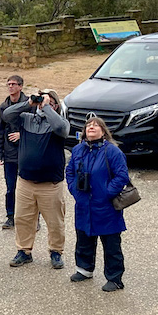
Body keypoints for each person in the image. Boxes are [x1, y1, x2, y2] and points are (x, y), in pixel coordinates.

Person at [2, 88, 70, 270]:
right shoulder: (27, 118)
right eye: (42, 101)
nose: (42, 104)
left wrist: (47, 108)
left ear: (55, 105)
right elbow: (7, 115)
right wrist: (29, 103)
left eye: (48, 101)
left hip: (50, 184)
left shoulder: (59, 123)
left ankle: (56, 252)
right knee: (23, 219)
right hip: (26, 182)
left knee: (55, 222)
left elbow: (61, 129)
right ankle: (24, 251)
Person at [65, 117, 130, 292]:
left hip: (106, 207)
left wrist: (107, 192)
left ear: (103, 131)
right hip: (84, 205)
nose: (91, 127)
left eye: (96, 125)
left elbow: (122, 176)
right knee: (84, 238)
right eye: (88, 125)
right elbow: (70, 171)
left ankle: (115, 278)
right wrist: (74, 190)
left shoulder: (113, 152)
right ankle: (84, 269)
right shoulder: (78, 149)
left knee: (111, 244)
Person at [0, 74, 25, 230]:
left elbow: (37, 127)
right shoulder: (3, 107)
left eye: (13, 84)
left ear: (20, 86)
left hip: (27, 153)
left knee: (30, 188)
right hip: (10, 154)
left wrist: (22, 134)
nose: (10, 86)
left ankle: (33, 218)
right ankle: (10, 216)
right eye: (8, 84)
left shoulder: (29, 105)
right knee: (10, 187)